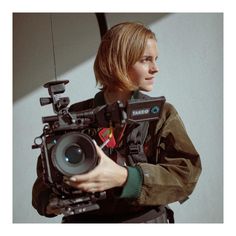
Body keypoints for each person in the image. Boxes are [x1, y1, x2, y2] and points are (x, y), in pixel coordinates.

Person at [32, 22, 202, 223]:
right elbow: (46, 176)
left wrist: (126, 177)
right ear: (118, 62)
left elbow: (185, 175)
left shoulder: (161, 114)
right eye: (146, 60)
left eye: (155, 60)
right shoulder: (74, 116)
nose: (155, 68)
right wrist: (50, 202)